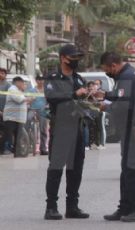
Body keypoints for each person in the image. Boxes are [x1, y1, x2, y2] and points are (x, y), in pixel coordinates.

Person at [96, 52, 135, 222]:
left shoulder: (127, 77)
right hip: (133, 129)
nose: (107, 72)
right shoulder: (128, 74)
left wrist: (104, 108)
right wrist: (106, 95)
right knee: (127, 170)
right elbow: (123, 96)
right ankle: (125, 207)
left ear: (113, 65)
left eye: (107, 69)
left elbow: (122, 106)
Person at [43, 44, 89, 220]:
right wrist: (74, 94)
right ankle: (51, 207)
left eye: (78, 57)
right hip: (61, 128)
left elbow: (83, 102)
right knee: (56, 169)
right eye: (73, 57)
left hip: (77, 128)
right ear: (63, 58)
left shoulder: (79, 79)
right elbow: (53, 98)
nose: (76, 60)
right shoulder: (53, 77)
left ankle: (72, 207)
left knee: (76, 169)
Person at [3, 77, 32, 157]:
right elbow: (19, 99)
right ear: (18, 82)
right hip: (11, 117)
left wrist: (27, 99)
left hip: (18, 118)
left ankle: (17, 153)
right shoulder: (12, 89)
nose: (24, 85)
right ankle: (6, 150)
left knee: (17, 136)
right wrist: (27, 99)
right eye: (23, 83)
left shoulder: (19, 91)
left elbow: (24, 101)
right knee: (9, 135)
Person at [27, 75, 49, 155]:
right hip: (33, 109)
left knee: (43, 129)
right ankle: (28, 142)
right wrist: (30, 100)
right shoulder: (31, 90)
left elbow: (49, 101)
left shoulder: (46, 90)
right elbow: (27, 100)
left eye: (42, 80)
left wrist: (47, 105)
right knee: (28, 119)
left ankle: (43, 148)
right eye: (39, 80)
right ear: (36, 81)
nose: (41, 81)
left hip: (43, 111)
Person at [0, 68, 11, 154]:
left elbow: (10, 99)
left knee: (6, 129)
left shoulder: (8, 85)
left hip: (5, 111)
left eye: (2, 73)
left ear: (5, 75)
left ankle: (6, 148)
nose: (1, 74)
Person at [94, 79, 106, 149]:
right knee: (96, 127)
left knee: (102, 127)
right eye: (95, 83)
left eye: (97, 84)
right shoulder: (93, 92)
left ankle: (102, 143)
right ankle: (97, 143)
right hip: (95, 111)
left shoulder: (103, 92)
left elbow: (106, 101)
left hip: (101, 111)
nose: (96, 85)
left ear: (100, 85)